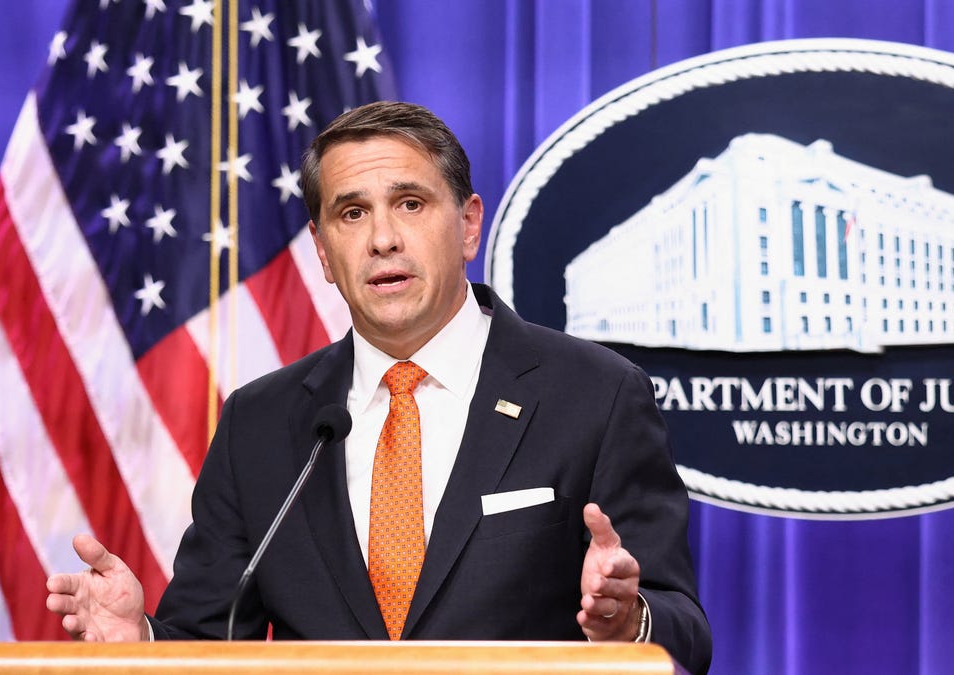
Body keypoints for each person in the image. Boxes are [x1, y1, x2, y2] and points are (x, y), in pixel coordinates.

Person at [46, 101, 712, 674]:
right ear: (324, 252)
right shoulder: (262, 422)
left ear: (469, 225)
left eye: (411, 203)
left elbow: (686, 631)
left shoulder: (594, 394)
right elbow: (211, 640)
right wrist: (143, 641)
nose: (384, 239)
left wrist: (626, 623)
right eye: (353, 213)